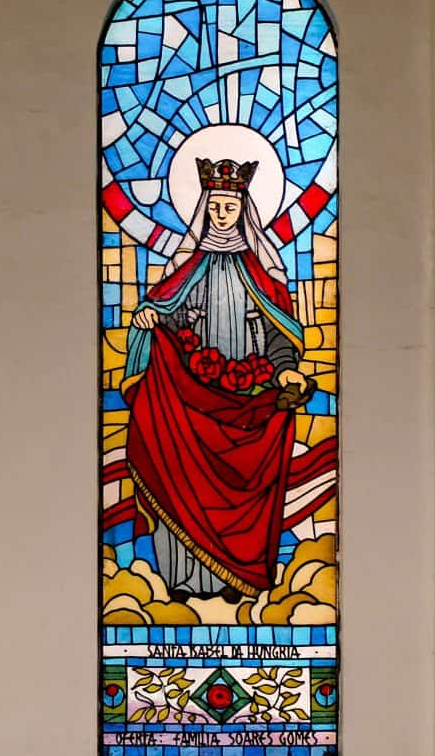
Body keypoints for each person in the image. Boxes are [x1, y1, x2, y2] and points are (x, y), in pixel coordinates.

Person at [123, 157, 309, 603]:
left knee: (242, 481)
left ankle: (233, 579)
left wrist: (283, 366)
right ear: (204, 208)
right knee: (180, 473)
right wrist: (152, 318)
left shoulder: (264, 275)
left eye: (230, 207)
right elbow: (171, 318)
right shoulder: (186, 270)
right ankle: (183, 579)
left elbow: (276, 330)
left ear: (243, 210)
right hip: (193, 396)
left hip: (245, 394)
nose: (222, 214)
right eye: (215, 206)